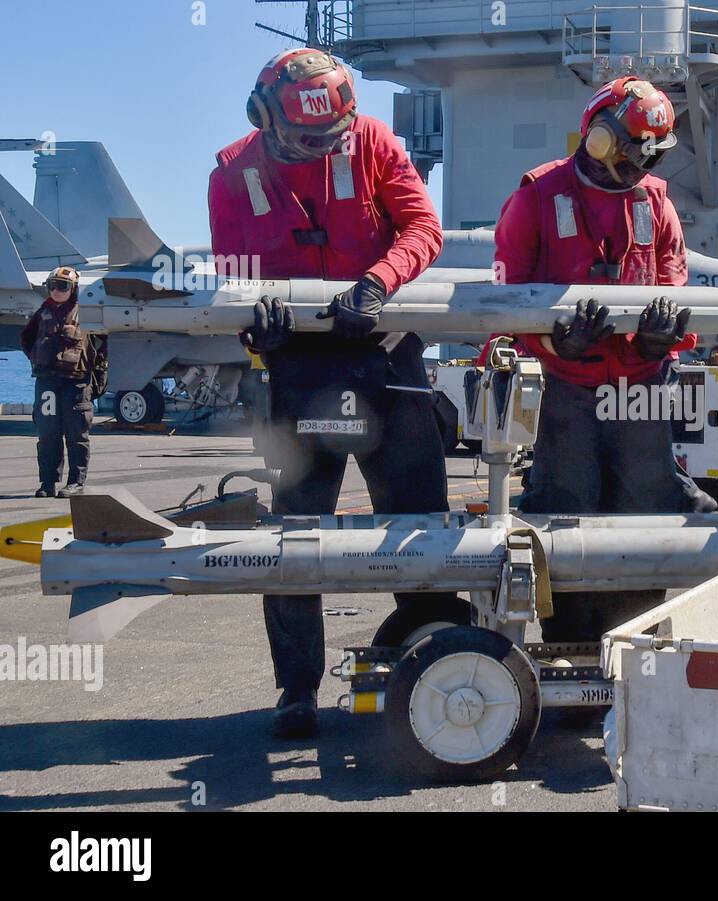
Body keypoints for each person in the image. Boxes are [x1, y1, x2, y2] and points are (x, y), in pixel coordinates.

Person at [208, 48, 456, 739]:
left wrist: (379, 279)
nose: (321, 149)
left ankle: (438, 654)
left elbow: (422, 228)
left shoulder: (373, 139)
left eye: (330, 137)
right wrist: (252, 312)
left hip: (383, 355)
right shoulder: (231, 172)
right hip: (299, 370)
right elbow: (231, 266)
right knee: (295, 535)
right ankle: (296, 689)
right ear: (265, 117)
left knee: (422, 526)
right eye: (305, 141)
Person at [493, 76, 715, 641]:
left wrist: (657, 342)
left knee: (645, 509)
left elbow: (672, 280)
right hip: (567, 387)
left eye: (649, 156)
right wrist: (551, 343)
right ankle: (571, 646)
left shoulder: (654, 200)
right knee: (568, 510)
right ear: (598, 137)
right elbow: (506, 294)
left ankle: (636, 646)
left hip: (639, 385)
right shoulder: (538, 195)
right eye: (630, 150)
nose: (637, 166)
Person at [20, 266, 107, 497]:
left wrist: (98, 378)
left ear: (74, 288)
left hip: (76, 382)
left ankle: (76, 482)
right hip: (47, 381)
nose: (57, 291)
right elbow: (27, 339)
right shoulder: (43, 312)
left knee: (76, 433)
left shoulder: (85, 313)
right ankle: (47, 483)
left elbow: (102, 346)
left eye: (63, 286)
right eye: (53, 286)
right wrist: (37, 359)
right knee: (47, 433)